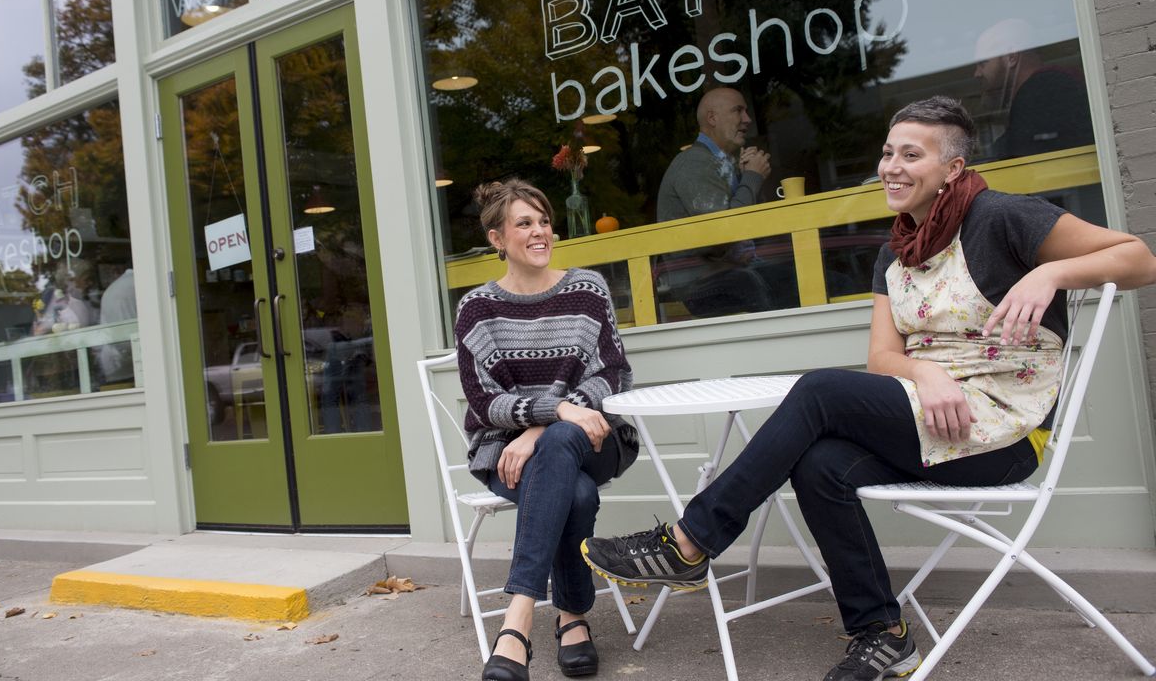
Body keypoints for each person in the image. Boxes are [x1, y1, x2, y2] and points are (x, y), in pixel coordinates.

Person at [582, 96, 1156, 681]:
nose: (892, 166)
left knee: (820, 391)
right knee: (821, 464)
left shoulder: (1003, 218)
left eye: (912, 154)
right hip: (932, 416)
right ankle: (883, 636)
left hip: (1004, 438)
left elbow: (1140, 259)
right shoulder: (895, 251)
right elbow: (883, 358)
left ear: (952, 170)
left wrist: (1050, 271)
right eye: (887, 153)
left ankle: (690, 541)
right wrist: (925, 371)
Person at [456, 179, 640, 681]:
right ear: (497, 239)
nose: (540, 232)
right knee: (576, 494)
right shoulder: (477, 309)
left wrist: (544, 425)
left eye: (543, 221)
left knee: (560, 445)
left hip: (595, 438)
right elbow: (484, 401)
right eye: (525, 223)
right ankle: (573, 617)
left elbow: (614, 373)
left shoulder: (587, 289)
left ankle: (516, 622)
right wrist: (554, 415)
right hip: (505, 452)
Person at [656, 87, 777, 316]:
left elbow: (748, 228)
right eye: (738, 111)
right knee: (827, 282)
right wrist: (752, 178)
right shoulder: (694, 164)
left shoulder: (718, 162)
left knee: (803, 275)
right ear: (712, 118)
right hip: (705, 283)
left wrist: (744, 178)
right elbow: (723, 232)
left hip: (724, 274)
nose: (747, 119)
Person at [973, 18, 1093, 161]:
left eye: (983, 63)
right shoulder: (1047, 89)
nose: (977, 73)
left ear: (1011, 57)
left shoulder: (1042, 93)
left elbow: (1026, 160)